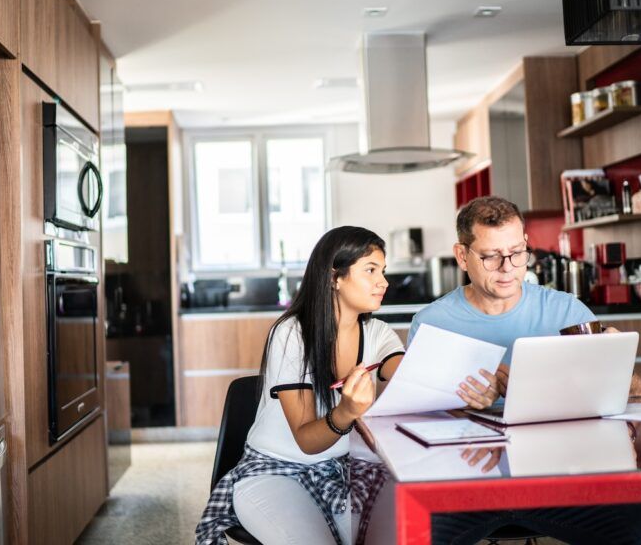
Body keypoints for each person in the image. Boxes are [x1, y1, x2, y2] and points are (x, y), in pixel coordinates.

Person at [409, 196, 641, 545]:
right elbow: (411, 420)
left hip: (561, 479)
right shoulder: (431, 323)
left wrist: (616, 368)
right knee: (405, 537)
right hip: (465, 485)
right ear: (463, 256)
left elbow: (634, 392)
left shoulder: (566, 311)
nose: (508, 267)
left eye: (517, 252)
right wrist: (462, 404)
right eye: (491, 256)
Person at [197, 226, 483, 545]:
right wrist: (346, 412)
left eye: (383, 271)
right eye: (370, 270)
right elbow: (307, 440)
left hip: (347, 472)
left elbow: (414, 377)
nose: (384, 282)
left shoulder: (378, 334)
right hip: (276, 472)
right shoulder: (292, 334)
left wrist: (470, 380)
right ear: (335, 277)